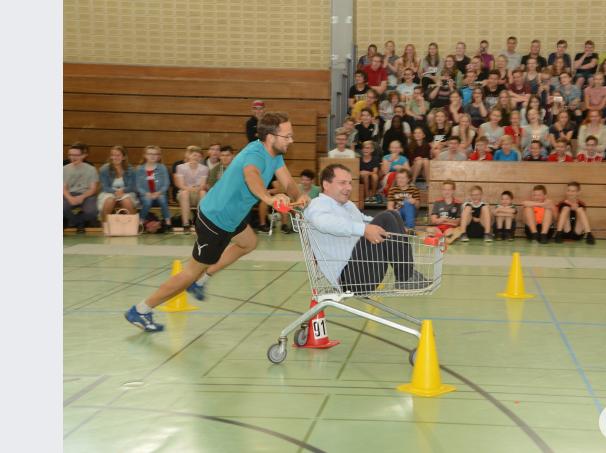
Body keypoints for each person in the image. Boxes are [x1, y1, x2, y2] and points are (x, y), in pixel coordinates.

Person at [125, 112, 310, 332]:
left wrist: (298, 197)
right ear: (271, 137)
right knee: (189, 273)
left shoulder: (275, 155)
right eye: (287, 136)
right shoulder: (255, 155)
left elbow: (288, 182)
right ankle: (141, 309)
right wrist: (269, 198)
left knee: (248, 243)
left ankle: (203, 278)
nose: (291, 140)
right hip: (215, 218)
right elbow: (252, 176)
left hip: (232, 216)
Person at [305, 164, 430, 294]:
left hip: (364, 267)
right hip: (350, 279)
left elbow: (365, 220)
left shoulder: (347, 205)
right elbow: (324, 223)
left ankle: (407, 275)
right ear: (326, 184)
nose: (349, 187)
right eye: (342, 183)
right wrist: (364, 229)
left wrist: (397, 226)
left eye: (350, 183)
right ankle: (405, 278)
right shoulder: (318, 204)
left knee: (393, 215)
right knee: (387, 217)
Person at [63, 142, 99, 233]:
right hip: (70, 194)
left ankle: (75, 221)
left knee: (91, 211)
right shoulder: (64, 169)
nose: (73, 157)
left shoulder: (91, 169)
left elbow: (93, 189)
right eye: (70, 155)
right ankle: (79, 223)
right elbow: (63, 188)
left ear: (83, 156)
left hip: (86, 195)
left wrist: (82, 197)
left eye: (76, 155)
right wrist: (69, 198)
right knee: (63, 208)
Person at [98, 145, 139, 223]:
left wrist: (122, 191)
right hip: (108, 192)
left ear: (123, 157)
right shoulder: (104, 169)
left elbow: (132, 186)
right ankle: (105, 225)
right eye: (113, 155)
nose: (115, 157)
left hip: (126, 192)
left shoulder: (130, 170)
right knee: (109, 201)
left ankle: (133, 225)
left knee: (126, 201)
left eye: (118, 155)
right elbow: (104, 187)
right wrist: (115, 192)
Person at [135, 145, 172, 233]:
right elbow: (138, 186)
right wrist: (146, 193)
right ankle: (140, 223)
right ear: (145, 155)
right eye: (150, 154)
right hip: (145, 195)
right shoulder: (140, 169)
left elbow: (166, 183)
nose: (152, 156)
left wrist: (158, 193)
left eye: (155, 154)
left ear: (159, 156)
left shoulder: (162, 168)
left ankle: (168, 223)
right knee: (147, 202)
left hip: (159, 194)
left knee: (163, 200)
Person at [175, 146, 210, 233]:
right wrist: (192, 189)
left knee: (203, 192)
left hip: (198, 192)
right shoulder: (180, 167)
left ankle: (200, 223)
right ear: (189, 156)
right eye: (194, 155)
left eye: (199, 156)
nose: (196, 157)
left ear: (201, 158)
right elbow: (181, 185)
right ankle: (186, 224)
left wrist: (196, 189)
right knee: (184, 193)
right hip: (185, 193)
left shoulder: (204, 168)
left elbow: (202, 185)